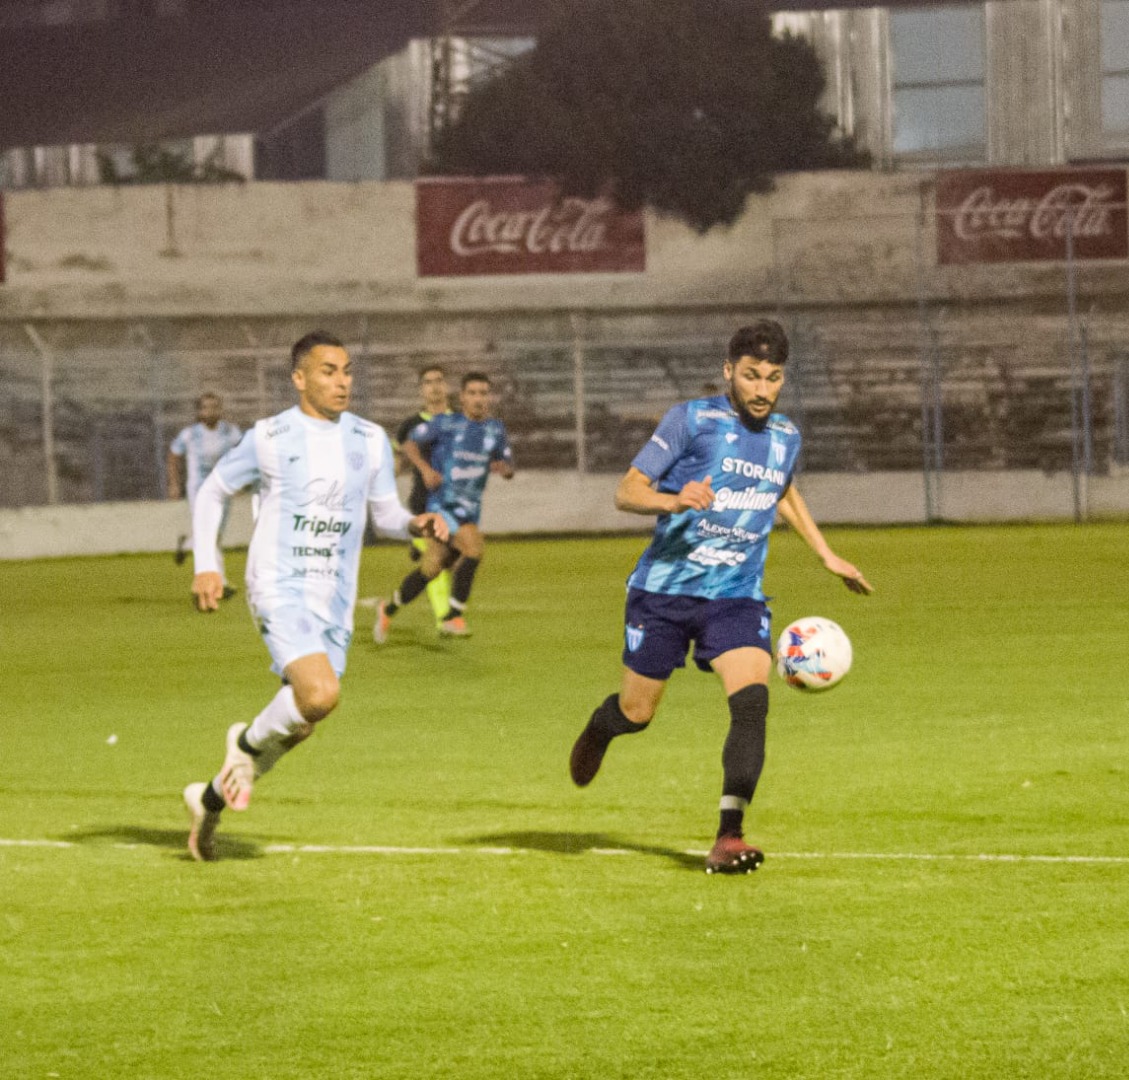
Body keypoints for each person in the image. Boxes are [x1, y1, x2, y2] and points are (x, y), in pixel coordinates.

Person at [568, 320, 873, 875]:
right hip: (662, 593)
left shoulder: (786, 436)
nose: (762, 390)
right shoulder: (691, 420)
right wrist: (672, 498)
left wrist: (826, 554)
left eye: (773, 378)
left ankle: (729, 835)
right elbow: (626, 491)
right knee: (637, 713)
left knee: (752, 701)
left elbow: (782, 492)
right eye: (752, 376)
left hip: (735, 596)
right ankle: (602, 726)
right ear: (729, 372)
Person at [182, 331, 448, 862]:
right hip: (278, 583)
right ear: (299, 378)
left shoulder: (369, 439)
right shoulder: (270, 436)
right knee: (321, 694)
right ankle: (244, 744)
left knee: (303, 720)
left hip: (334, 595)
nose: (342, 381)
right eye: (328, 371)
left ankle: (208, 799)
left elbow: (385, 514)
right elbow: (213, 490)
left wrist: (414, 522)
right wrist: (208, 565)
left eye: (347, 370)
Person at [374, 371, 514, 640]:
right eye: (472, 393)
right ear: (461, 397)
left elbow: (507, 464)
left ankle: (388, 608)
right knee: (473, 548)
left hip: (470, 508)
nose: (478, 399)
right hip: (442, 505)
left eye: (483, 393)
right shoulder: (446, 424)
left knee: (432, 567)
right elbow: (410, 444)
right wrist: (426, 470)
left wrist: (504, 469)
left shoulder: (495, 429)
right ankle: (453, 617)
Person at [394, 364, 454, 630]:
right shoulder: (410, 426)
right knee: (437, 560)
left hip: (454, 505)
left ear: (447, 386)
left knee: (449, 561)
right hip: (423, 503)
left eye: (439, 380)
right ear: (421, 390)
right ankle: (445, 620)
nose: (435, 386)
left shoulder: (461, 421)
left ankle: (393, 605)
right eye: (428, 382)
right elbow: (399, 464)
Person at [167, 392, 242, 592]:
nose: (211, 411)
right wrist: (174, 483)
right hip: (199, 490)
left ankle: (187, 544)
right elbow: (174, 455)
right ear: (199, 411)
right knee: (210, 532)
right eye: (206, 407)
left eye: (215, 406)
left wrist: (242, 480)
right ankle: (221, 582)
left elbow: (243, 454)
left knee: (216, 534)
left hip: (223, 487)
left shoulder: (230, 432)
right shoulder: (190, 434)